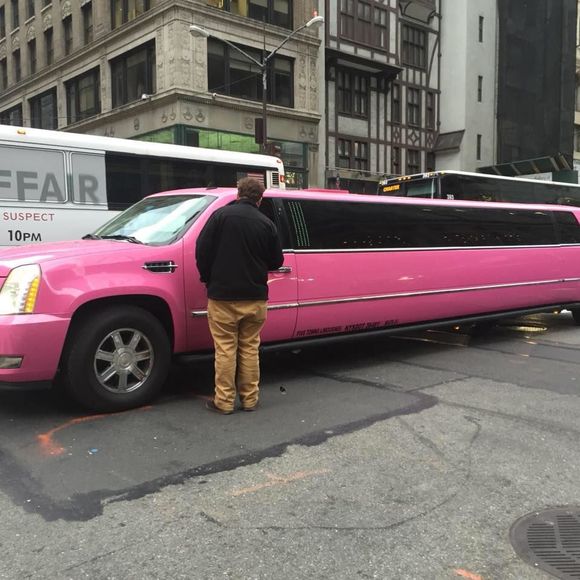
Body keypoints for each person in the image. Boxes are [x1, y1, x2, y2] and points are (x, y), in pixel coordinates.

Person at [195, 177, 284, 415]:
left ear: (238, 194)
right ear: (260, 198)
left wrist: (208, 278)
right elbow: (277, 261)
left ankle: (224, 402)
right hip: (255, 297)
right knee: (250, 348)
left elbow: (202, 250)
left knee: (225, 349)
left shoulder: (220, 217)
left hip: (222, 296)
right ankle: (250, 400)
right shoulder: (266, 224)